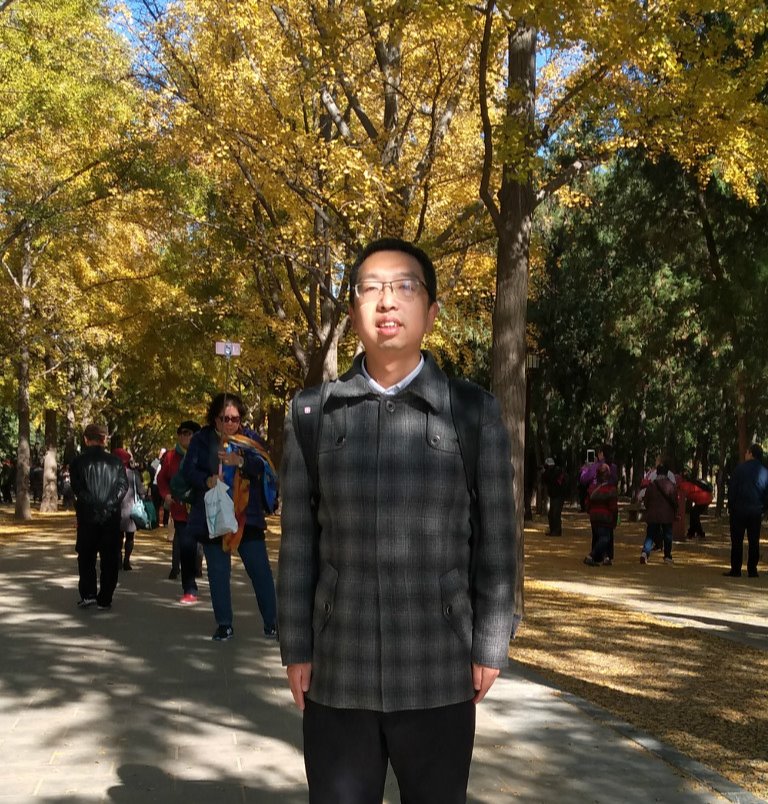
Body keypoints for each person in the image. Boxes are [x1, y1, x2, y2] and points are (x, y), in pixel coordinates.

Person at [278, 237, 516, 804]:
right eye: (371, 288)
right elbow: (299, 542)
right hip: (340, 667)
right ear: (353, 310)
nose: (387, 301)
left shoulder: (472, 411)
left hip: (438, 665)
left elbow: (498, 539)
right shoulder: (313, 413)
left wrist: (490, 642)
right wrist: (296, 646)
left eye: (405, 287)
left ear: (431, 313)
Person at [182, 393, 278, 640]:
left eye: (235, 419)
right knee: (218, 572)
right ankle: (224, 623)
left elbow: (264, 466)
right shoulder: (202, 440)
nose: (231, 423)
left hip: (247, 515)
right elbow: (189, 471)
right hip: (214, 514)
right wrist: (207, 480)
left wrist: (241, 461)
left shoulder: (250, 439)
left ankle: (273, 622)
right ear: (215, 419)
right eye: (225, 418)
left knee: (260, 571)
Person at [69, 423, 128, 609]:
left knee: (86, 556)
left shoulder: (77, 462)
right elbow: (123, 486)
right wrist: (109, 505)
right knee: (109, 558)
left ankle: (88, 593)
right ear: (104, 440)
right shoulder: (116, 462)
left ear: (86, 439)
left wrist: (93, 504)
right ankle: (105, 598)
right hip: (110, 517)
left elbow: (77, 488)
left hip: (87, 516)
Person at [156, 419, 202, 602]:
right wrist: (166, 494)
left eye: (188, 433)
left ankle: (216, 585)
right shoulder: (170, 457)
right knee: (186, 547)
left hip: (202, 508)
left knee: (204, 548)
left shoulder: (204, 454)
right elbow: (161, 479)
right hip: (180, 510)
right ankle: (189, 588)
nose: (184, 437)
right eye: (182, 433)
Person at [724, 443, 768, 578]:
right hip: (756, 510)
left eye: (747, 452)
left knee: (737, 540)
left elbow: (732, 489)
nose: (745, 454)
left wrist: (731, 506)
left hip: (739, 510)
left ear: (751, 454)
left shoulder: (739, 469)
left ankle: (736, 569)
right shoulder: (765, 472)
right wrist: (763, 508)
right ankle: (752, 569)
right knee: (754, 540)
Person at [113, 448, 145, 571]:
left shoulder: (113, 474)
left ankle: (118, 559)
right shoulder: (133, 474)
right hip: (131, 508)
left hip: (116, 508)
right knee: (130, 537)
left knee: (118, 537)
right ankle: (127, 560)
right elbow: (141, 491)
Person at [640, 461, 677, 564]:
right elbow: (674, 500)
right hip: (667, 514)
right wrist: (675, 511)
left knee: (650, 535)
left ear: (657, 473)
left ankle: (645, 553)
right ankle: (667, 556)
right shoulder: (671, 485)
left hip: (653, 514)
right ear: (667, 473)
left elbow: (646, 500)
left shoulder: (651, 485)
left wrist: (649, 508)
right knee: (667, 535)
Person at [584, 464, 618, 566]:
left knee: (597, 537)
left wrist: (591, 511)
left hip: (594, 517)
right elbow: (613, 507)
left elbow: (587, 503)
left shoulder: (592, 488)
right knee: (605, 538)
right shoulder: (611, 490)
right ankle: (591, 556)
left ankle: (603, 557)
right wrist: (615, 518)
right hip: (605, 517)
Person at [542, 457, 567, 536]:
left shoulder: (557, 471)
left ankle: (557, 531)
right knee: (551, 514)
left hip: (559, 495)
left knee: (556, 513)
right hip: (553, 495)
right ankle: (553, 530)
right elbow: (546, 480)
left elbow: (550, 478)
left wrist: (545, 472)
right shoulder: (550, 472)